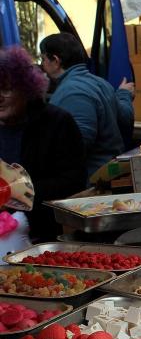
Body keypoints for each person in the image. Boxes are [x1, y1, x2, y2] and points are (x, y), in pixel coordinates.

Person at [0, 47, 87, 241]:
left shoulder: (57, 122)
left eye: (6, 89)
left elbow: (73, 180)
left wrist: (16, 193)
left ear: (25, 89)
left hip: (40, 237)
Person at [39, 33, 132, 179]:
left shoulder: (72, 93)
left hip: (90, 182)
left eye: (43, 59)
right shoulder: (101, 83)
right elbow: (125, 118)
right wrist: (124, 94)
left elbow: (76, 146)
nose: (42, 65)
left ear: (56, 61)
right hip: (109, 173)